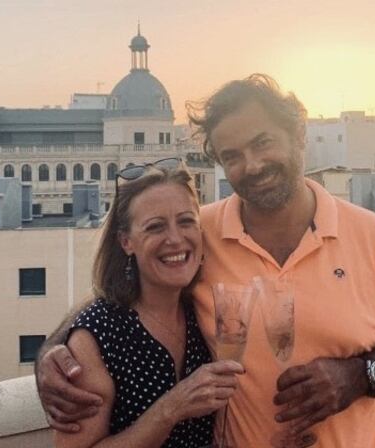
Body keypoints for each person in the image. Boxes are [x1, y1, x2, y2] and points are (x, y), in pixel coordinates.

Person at [37, 74, 375, 447]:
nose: (252, 165)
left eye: (263, 143)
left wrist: (358, 376)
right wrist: (55, 349)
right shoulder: (199, 234)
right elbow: (127, 292)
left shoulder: (374, 236)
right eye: (232, 155)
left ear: (298, 135)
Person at [51, 161, 245, 448]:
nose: (175, 239)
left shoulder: (202, 309)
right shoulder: (99, 334)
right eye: (155, 227)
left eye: (186, 221)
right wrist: (171, 408)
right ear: (126, 242)